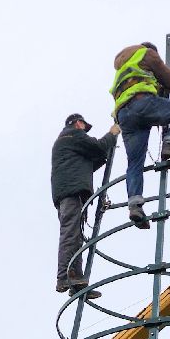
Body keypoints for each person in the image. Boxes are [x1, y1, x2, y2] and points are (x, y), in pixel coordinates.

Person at [111, 42, 170, 229]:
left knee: (135, 163)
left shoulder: (122, 67)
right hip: (141, 104)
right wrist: (167, 76)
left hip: (124, 116)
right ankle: (169, 144)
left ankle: (135, 206)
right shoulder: (147, 54)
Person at [51, 113, 120, 298]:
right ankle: (64, 276)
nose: (85, 129)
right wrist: (113, 133)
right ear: (78, 123)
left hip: (70, 191)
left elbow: (89, 160)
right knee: (70, 233)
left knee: (76, 235)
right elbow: (96, 147)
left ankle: (76, 281)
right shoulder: (72, 135)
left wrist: (103, 152)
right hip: (71, 192)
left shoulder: (67, 143)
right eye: (83, 125)